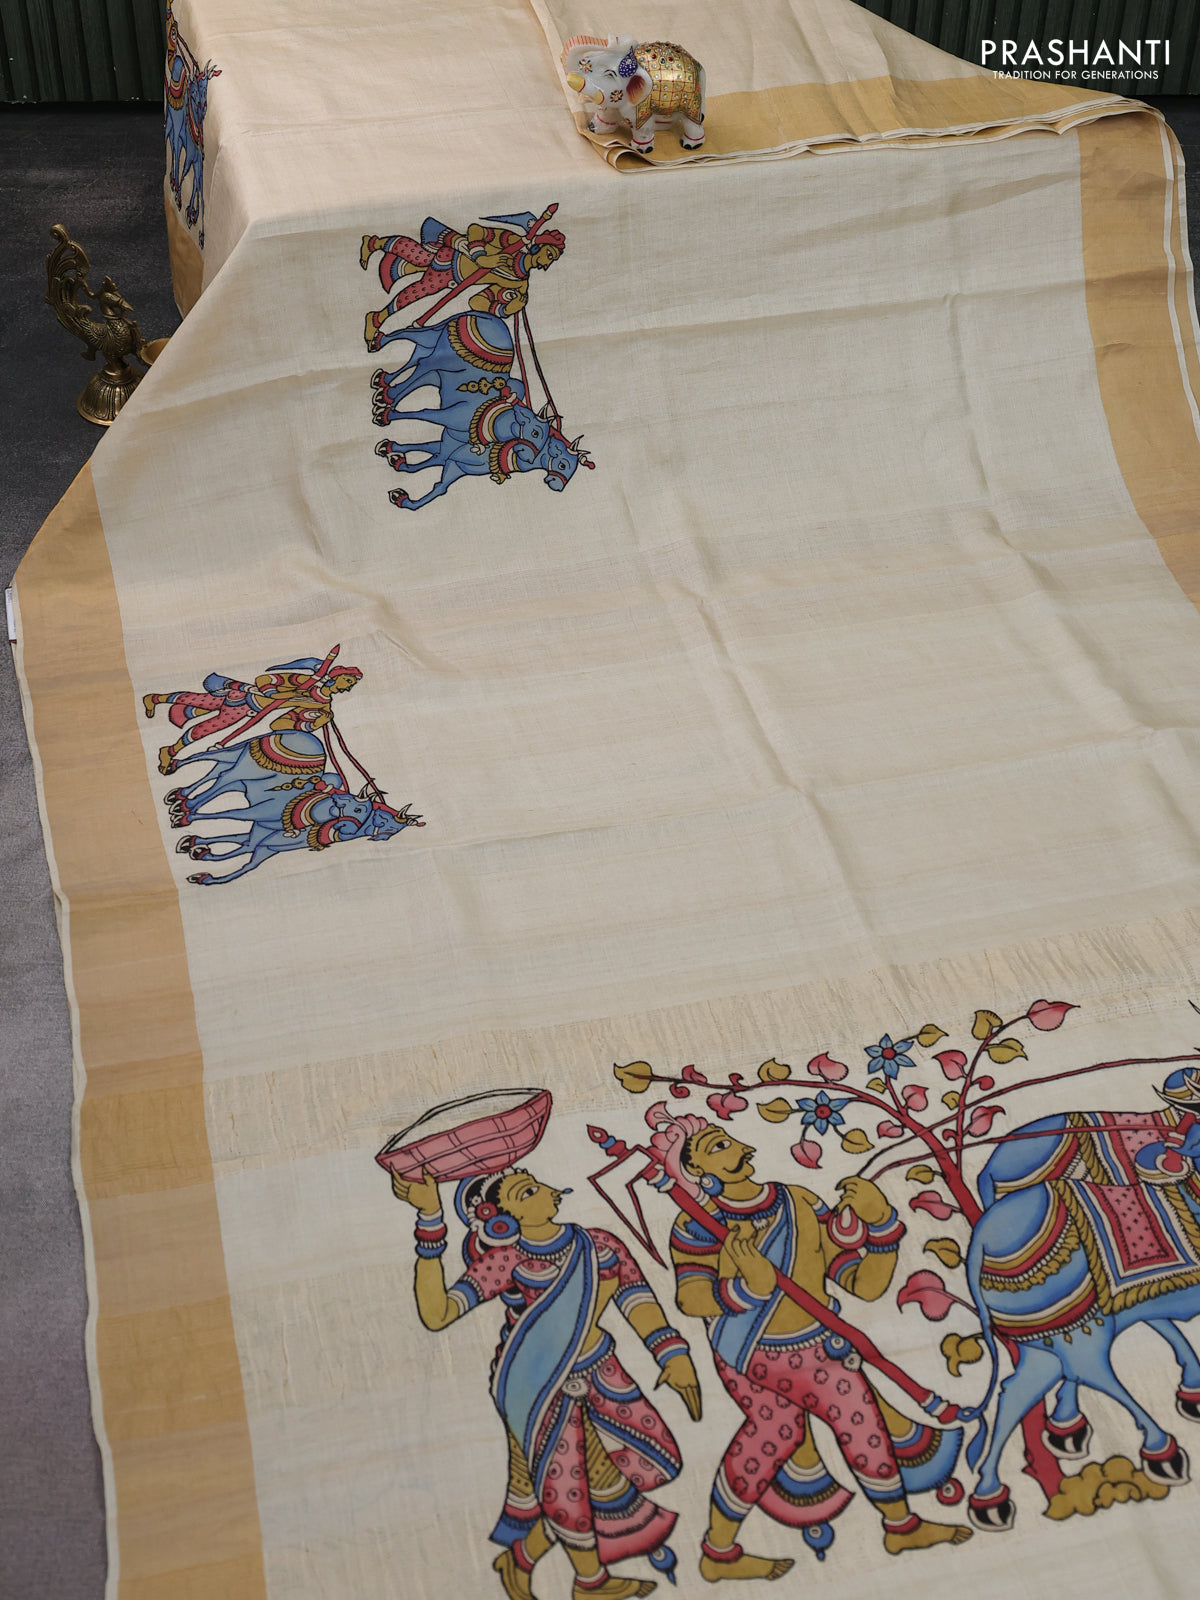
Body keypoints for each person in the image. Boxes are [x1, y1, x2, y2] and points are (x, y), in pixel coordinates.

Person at [651, 1109, 972, 1581]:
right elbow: (690, 1297)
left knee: (776, 1433)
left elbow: (860, 1283)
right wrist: (747, 1289)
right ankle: (899, 1526)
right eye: (714, 1146)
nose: (733, 1146)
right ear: (696, 1171)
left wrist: (882, 1225)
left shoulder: (797, 1200)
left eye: (727, 1139)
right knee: (852, 1413)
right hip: (749, 1350)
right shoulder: (697, 1225)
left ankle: (718, 1551)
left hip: (817, 1340)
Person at [391, 1162, 702, 1600]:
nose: (541, 1188)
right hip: (536, 1385)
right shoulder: (509, 1260)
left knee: (652, 1458)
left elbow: (637, 1298)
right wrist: (429, 1220)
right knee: (566, 1486)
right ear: (503, 1220)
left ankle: (521, 1558)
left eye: (534, 1183)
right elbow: (438, 1314)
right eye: (524, 1192)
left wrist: (672, 1354)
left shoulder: (598, 1243)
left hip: (602, 1370)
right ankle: (590, 1582)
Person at [361, 211, 565, 343]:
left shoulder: (519, 286)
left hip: (454, 278)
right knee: (422, 266)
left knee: (421, 280)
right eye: (548, 254)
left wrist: (506, 310)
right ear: (538, 246)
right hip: (454, 252)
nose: (547, 263)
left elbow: (477, 302)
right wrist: (482, 258)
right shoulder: (513, 242)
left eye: (552, 260)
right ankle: (374, 246)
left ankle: (377, 315)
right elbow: (476, 230)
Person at [144, 656, 361, 772]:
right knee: (199, 706)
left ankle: (168, 744)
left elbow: (280, 725)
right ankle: (157, 705)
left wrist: (317, 721)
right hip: (244, 695)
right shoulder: (307, 682)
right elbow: (267, 679)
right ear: (336, 675)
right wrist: (274, 693)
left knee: (204, 717)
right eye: (348, 680)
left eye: (352, 683)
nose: (349, 686)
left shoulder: (322, 706)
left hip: (249, 709)